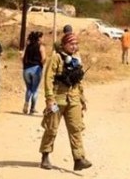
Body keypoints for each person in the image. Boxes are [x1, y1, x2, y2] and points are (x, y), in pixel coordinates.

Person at [39, 31, 92, 171]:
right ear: (64, 45)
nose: (74, 46)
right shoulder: (56, 58)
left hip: (73, 101)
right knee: (52, 128)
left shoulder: (76, 59)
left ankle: (79, 159)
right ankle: (45, 156)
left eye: (76, 44)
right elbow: (48, 79)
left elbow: (78, 82)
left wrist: (82, 99)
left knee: (76, 128)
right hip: (57, 101)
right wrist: (49, 99)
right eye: (71, 44)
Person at [22, 31, 46, 115]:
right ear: (39, 38)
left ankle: (26, 103)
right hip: (36, 69)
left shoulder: (27, 46)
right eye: (42, 37)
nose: (43, 39)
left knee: (28, 88)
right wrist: (41, 65)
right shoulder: (41, 47)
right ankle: (32, 108)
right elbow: (43, 59)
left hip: (26, 70)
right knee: (34, 89)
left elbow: (22, 57)